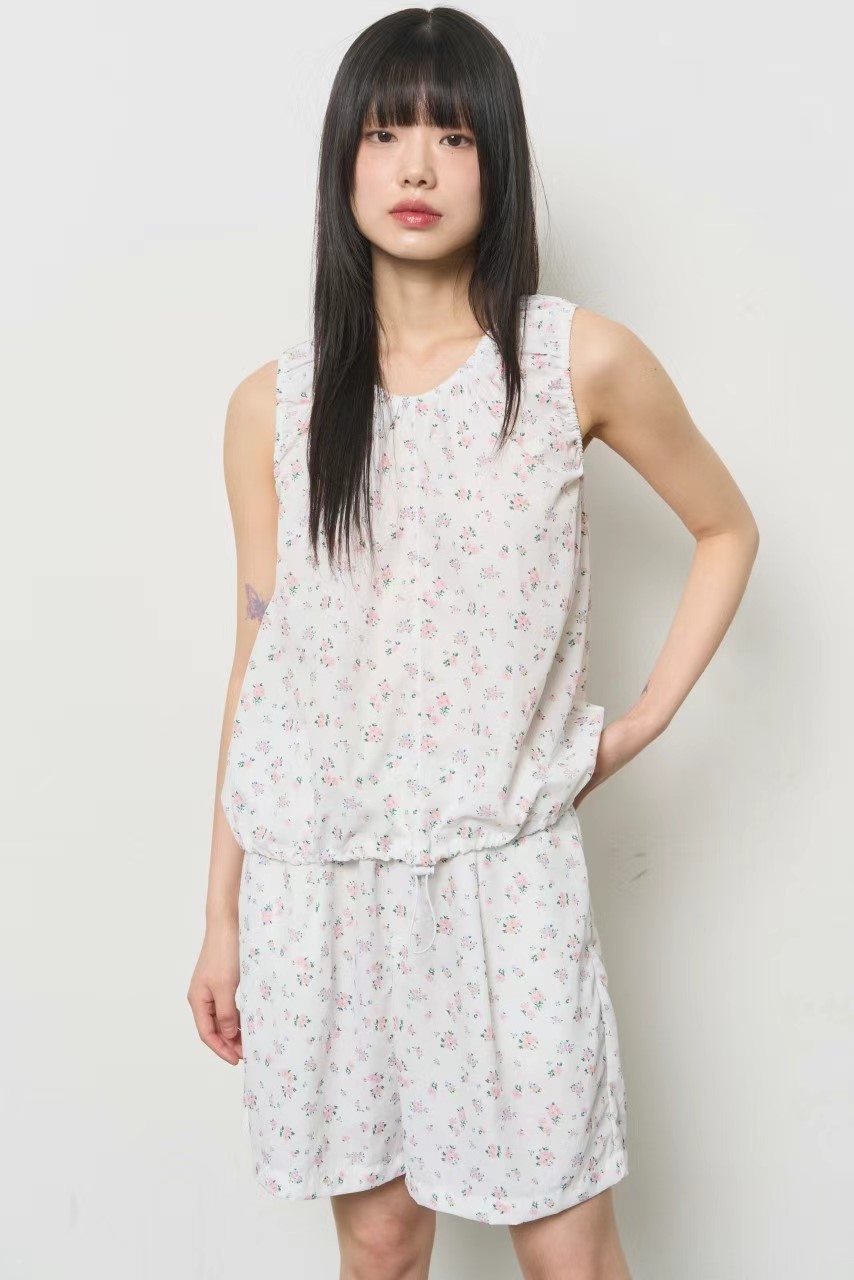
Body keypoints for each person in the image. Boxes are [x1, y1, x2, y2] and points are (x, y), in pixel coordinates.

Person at [187, 8, 759, 1278]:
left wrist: (636, 723)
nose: (415, 166)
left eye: (452, 136)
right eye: (385, 133)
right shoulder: (273, 406)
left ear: (496, 162)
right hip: (320, 882)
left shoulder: (572, 360)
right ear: (341, 161)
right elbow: (262, 665)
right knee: (382, 1243)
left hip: (502, 876)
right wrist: (219, 912)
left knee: (566, 1249)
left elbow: (725, 528)